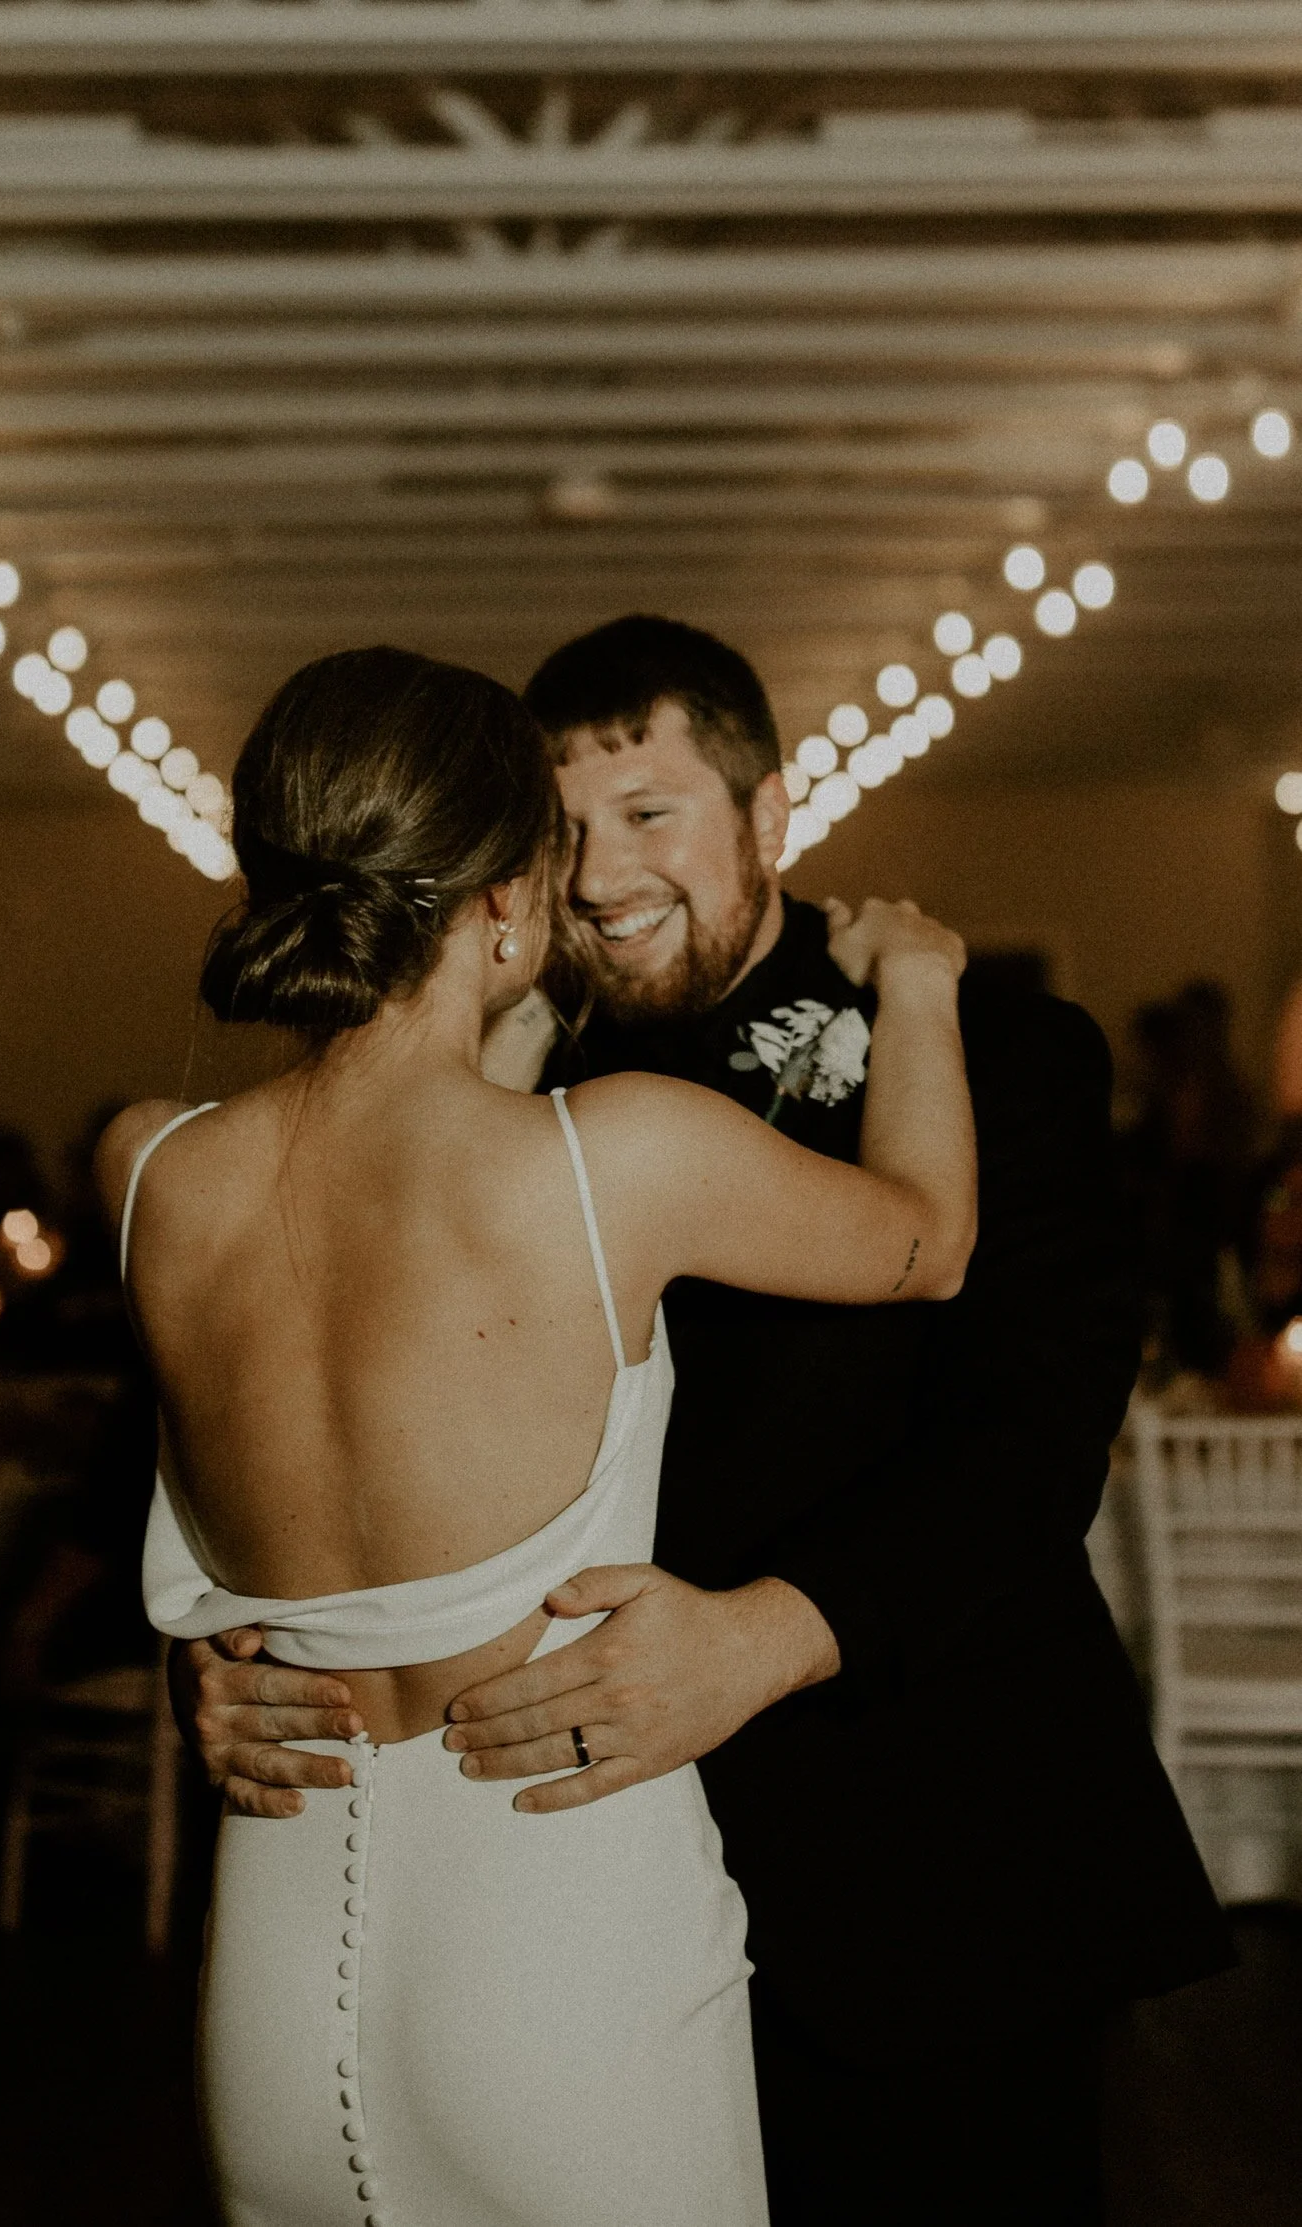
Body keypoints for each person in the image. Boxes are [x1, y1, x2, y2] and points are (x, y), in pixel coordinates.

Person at [182, 618, 1234, 2226]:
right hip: (565, 1898)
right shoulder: (483, 1088)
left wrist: (771, 1634)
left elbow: (1026, 1443)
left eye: (653, 812)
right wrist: (261, 1643)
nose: (604, 873)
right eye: (565, 826)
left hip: (921, 1869)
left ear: (773, 810)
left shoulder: (989, 1051)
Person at [98, 645, 977, 2227]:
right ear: (507, 900)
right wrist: (915, 979)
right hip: (561, 1941)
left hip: (280, 1962)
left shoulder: (150, 1176)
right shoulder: (616, 1163)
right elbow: (933, 1236)